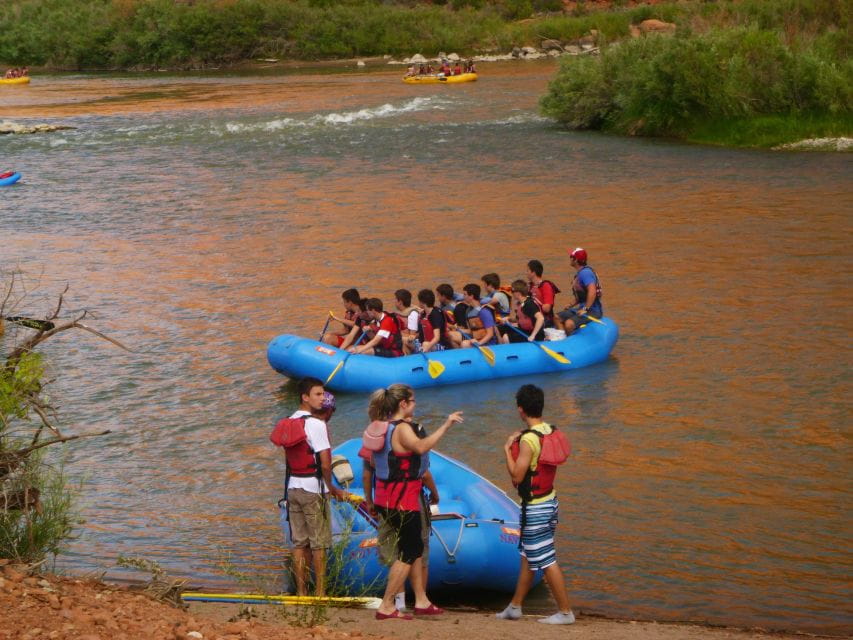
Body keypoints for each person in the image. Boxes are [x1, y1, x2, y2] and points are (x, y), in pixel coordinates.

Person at [368, 384, 463, 619]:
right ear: (403, 404)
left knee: (409, 550)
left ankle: (419, 601)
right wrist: (446, 424)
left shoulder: (383, 427)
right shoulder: (401, 429)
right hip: (403, 500)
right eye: (413, 401)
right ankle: (387, 605)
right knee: (410, 553)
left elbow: (372, 464)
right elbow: (420, 447)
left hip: (385, 499)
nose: (415, 404)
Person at [497, 384, 575, 625]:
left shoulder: (529, 441)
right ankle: (515, 607)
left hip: (536, 508)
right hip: (549, 502)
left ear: (521, 410)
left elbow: (516, 478)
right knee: (528, 555)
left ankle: (565, 612)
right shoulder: (549, 430)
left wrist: (506, 451)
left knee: (546, 559)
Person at [270, 377, 345, 597]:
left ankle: (302, 593)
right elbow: (324, 462)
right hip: (314, 490)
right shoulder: (316, 424)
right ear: (305, 397)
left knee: (299, 543)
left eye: (323, 394)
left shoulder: (289, 421)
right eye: (318, 395)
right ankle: (320, 593)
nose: (322, 399)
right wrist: (332, 488)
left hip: (293, 489)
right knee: (319, 544)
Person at [557, 247, 603, 335]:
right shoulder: (580, 274)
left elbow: (592, 291)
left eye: (571, 256)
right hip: (581, 308)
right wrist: (571, 304)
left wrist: (585, 309)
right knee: (556, 317)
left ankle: (569, 343)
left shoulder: (585, 273)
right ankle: (561, 340)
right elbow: (582, 296)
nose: (569, 258)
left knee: (568, 324)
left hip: (593, 311)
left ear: (576, 260)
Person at [449, 283, 497, 349]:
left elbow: (490, 334)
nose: (463, 297)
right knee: (450, 335)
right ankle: (459, 356)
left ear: (471, 296)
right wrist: (457, 329)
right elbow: (472, 331)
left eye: (465, 294)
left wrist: (479, 343)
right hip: (475, 338)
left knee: (465, 344)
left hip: (487, 342)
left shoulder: (483, 311)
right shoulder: (469, 311)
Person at [527, 259, 560, 328]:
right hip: (531, 318)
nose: (526, 273)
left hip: (545, 320)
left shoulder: (546, 286)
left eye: (528, 270)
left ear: (533, 272)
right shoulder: (530, 287)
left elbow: (547, 308)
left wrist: (534, 301)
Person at [414, 288, 447, 352]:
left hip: (439, 345)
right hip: (424, 342)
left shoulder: (435, 315)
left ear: (422, 302)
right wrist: (412, 337)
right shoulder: (423, 313)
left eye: (419, 301)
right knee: (405, 341)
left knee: (425, 344)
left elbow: (437, 338)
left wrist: (426, 347)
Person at [394, 289, 420, 355]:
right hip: (402, 339)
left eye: (395, 299)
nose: (394, 301)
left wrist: (399, 335)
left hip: (415, 342)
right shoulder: (398, 313)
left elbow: (412, 336)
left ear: (400, 302)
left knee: (401, 341)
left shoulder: (412, 314)